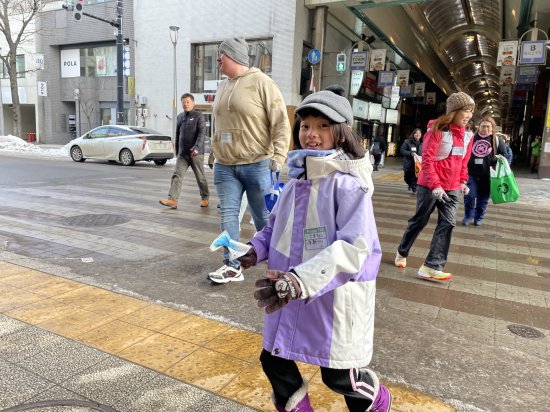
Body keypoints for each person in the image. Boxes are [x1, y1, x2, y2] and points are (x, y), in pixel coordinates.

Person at [237, 91, 391, 412]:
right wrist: (252, 250)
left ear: (341, 132)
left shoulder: (348, 186)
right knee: (274, 360)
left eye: (323, 125)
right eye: (305, 125)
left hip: (333, 303)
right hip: (289, 292)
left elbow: (354, 249)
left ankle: (377, 402)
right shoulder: (294, 183)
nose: (312, 133)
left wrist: (299, 281)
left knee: (338, 377)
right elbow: (273, 229)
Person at [207, 38, 290, 283]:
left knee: (263, 218)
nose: (218, 60)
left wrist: (278, 155)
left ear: (232, 55)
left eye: (221, 55)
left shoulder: (262, 82)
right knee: (228, 216)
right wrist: (213, 150)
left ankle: (277, 262)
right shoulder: (222, 86)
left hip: (257, 163)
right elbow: (219, 124)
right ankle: (231, 265)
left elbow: (280, 121)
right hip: (225, 165)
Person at [394, 92, 475, 281]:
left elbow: (464, 161)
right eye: (466, 111)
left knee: (448, 222)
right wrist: (435, 185)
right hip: (430, 185)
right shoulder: (436, 131)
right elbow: (428, 161)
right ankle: (402, 251)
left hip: (452, 186)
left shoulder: (468, 136)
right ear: (453, 112)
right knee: (420, 221)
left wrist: (462, 181)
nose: (469, 115)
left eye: (471, 111)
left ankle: (432, 266)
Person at [159, 93, 209, 209]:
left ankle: (205, 197)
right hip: (183, 154)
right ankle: (173, 200)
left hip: (196, 154)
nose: (186, 104)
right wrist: (177, 151)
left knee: (200, 177)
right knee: (177, 175)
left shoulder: (199, 116)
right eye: (183, 102)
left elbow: (202, 134)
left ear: (193, 103)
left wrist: (196, 147)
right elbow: (177, 134)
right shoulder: (180, 117)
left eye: (188, 102)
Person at [462, 117, 507, 226]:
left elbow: (505, 155)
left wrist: (494, 159)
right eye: (483, 126)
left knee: (483, 199)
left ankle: (479, 217)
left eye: (488, 126)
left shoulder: (497, 140)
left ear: (492, 128)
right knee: (470, 195)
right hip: (471, 173)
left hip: (488, 175)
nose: (485, 128)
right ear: (479, 127)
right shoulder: (471, 138)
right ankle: (469, 215)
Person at [400, 128, 422, 193]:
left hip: (418, 163)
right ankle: (410, 184)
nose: (418, 134)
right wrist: (410, 153)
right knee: (407, 177)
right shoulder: (407, 142)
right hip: (409, 163)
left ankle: (414, 187)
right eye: (416, 133)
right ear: (413, 134)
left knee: (416, 176)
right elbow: (402, 150)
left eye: (419, 133)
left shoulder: (423, 142)